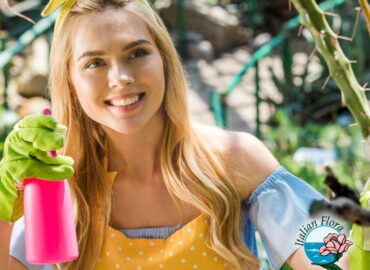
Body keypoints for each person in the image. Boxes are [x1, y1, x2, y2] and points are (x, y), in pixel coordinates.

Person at [0, 0, 348, 269]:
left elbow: (327, 253)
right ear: (71, 83)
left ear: (164, 59)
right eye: (95, 63)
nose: (120, 77)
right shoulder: (59, 185)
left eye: (137, 53)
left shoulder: (231, 159)